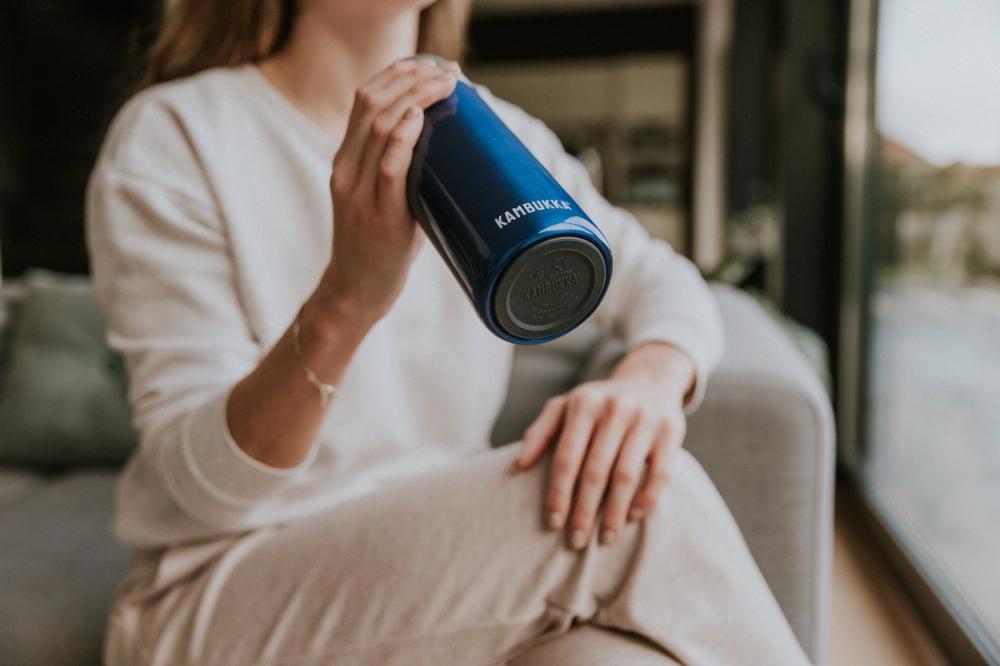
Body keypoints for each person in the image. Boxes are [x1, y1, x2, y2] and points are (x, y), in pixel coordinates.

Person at [85, 0, 810, 664]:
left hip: (435, 578)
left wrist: (649, 381)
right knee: (651, 502)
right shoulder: (177, 135)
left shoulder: (497, 138)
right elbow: (208, 489)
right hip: (220, 592)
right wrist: (347, 299)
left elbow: (662, 278)